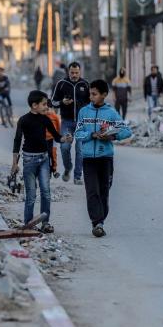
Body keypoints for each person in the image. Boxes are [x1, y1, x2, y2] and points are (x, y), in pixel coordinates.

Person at [74, 79, 132, 237]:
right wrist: (91, 134)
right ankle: (97, 223)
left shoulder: (111, 113)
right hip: (88, 159)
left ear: (104, 95)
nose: (91, 97)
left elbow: (126, 131)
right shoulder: (83, 112)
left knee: (104, 191)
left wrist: (111, 136)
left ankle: (101, 220)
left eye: (94, 94)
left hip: (105, 158)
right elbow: (77, 133)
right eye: (90, 93)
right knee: (92, 191)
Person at [12, 90, 72, 233]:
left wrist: (65, 138)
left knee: (46, 192)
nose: (47, 107)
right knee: (31, 195)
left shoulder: (45, 119)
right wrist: (14, 163)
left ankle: (45, 223)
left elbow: (57, 137)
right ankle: (28, 224)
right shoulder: (24, 120)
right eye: (44, 104)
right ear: (34, 105)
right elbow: (17, 141)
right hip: (29, 160)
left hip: (44, 159)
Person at [51, 62, 90, 185]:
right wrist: (62, 102)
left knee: (80, 150)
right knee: (64, 147)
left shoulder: (85, 84)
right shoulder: (61, 84)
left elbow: (91, 103)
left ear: (80, 72)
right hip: (66, 122)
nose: (74, 75)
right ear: (68, 72)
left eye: (76, 73)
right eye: (72, 72)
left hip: (81, 123)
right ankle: (68, 167)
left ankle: (77, 176)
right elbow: (53, 102)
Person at [44, 105, 62, 178]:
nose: (47, 110)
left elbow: (58, 127)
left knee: (53, 153)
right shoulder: (41, 116)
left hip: (53, 138)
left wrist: (58, 136)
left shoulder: (54, 116)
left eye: (48, 108)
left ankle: (54, 170)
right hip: (43, 138)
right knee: (44, 154)